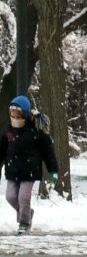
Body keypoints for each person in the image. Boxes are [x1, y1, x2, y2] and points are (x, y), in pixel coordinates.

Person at [2, 97, 60, 233]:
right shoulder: (8, 129)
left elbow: (48, 153)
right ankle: (28, 213)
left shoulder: (36, 131)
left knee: (23, 198)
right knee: (10, 197)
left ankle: (24, 223)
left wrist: (53, 171)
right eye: (12, 112)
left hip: (30, 171)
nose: (14, 115)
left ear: (24, 113)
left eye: (17, 112)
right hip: (13, 169)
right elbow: (2, 149)